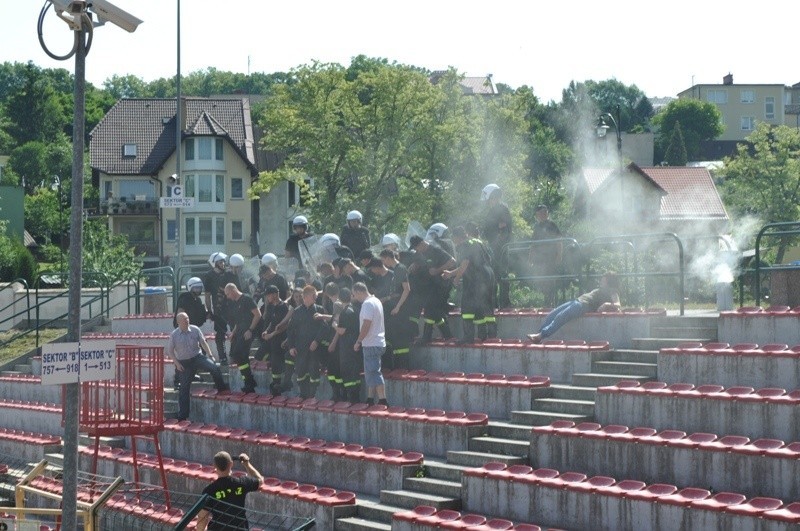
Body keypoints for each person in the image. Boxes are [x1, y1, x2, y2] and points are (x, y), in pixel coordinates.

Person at [526, 273, 621, 343]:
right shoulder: (601, 289)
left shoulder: (612, 292)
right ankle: (537, 336)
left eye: (603, 280)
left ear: (609, 281)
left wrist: (606, 304)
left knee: (560, 317)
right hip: (576, 301)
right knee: (552, 314)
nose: (601, 281)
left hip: (582, 305)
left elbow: (618, 305)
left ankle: (541, 335)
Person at [167, 313, 228, 421]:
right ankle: (183, 415)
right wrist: (177, 364)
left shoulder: (195, 329)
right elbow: (170, 352)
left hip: (197, 357)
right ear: (178, 322)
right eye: (184, 319)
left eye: (187, 318)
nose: (187, 320)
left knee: (214, 367)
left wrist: (211, 355)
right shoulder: (174, 335)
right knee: (184, 388)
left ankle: (222, 389)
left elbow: (203, 343)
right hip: (184, 362)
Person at [444, 226, 496, 344]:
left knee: (467, 305)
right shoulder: (478, 242)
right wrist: (451, 273)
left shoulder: (464, 245)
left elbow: (465, 263)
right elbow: (469, 264)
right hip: (488, 274)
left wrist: (456, 279)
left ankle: (468, 337)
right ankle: (489, 336)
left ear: (457, 237)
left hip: (475, 278)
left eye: (454, 238)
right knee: (484, 305)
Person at [196, 451, 263, 531]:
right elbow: (260, 480)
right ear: (231, 464)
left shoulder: (209, 490)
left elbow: (202, 516)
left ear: (214, 466)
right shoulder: (241, 483)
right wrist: (247, 464)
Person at [409, 235, 456, 343]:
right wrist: (415, 264)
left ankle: (427, 337)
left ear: (422, 244)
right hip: (431, 285)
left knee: (430, 309)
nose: (416, 250)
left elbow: (452, 261)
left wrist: (438, 270)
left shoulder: (435, 250)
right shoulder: (420, 253)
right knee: (434, 310)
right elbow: (419, 261)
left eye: (416, 247)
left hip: (442, 285)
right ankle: (447, 334)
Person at [286, 285, 328, 399]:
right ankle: (303, 394)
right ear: (305, 297)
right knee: (301, 371)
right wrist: (291, 347)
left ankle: (312, 395)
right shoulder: (297, 311)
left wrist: (317, 341)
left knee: (314, 371)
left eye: (316, 295)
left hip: (314, 347)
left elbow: (324, 327)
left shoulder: (319, 309)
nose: (316, 297)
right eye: (313, 295)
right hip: (300, 348)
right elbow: (290, 330)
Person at [352, 282, 388, 406]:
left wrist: (358, 341)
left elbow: (366, 325)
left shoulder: (367, 304)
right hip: (377, 342)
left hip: (371, 343)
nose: (354, 298)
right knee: (370, 372)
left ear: (358, 292)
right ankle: (370, 398)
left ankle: (383, 400)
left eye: (354, 295)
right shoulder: (376, 300)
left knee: (373, 371)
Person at [172, 277, 208, 391]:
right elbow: (181, 313)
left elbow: (200, 316)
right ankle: (177, 380)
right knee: (182, 357)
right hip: (183, 331)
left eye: (199, 288)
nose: (198, 290)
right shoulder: (185, 298)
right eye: (195, 287)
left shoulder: (198, 300)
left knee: (196, 355)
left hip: (192, 331)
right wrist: (182, 327)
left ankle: (192, 375)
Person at [224, 283, 261, 394]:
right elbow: (237, 321)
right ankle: (249, 382)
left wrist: (250, 330)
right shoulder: (235, 303)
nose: (227, 297)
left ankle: (250, 381)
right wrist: (233, 333)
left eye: (228, 294)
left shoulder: (247, 299)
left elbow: (258, 314)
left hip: (248, 331)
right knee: (238, 357)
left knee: (239, 354)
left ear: (233, 290)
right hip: (239, 331)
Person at [480, 184, 513, 308]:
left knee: (502, 274)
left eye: (489, 199)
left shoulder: (502, 209)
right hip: (493, 247)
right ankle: (493, 302)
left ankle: (504, 302)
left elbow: (504, 228)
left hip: (499, 248)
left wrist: (497, 243)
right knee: (493, 275)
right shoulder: (493, 211)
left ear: (493, 196)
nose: (488, 202)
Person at [203, 252, 239, 365]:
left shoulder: (228, 274)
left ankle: (234, 355)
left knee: (236, 330)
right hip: (219, 308)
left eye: (223, 261)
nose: (223, 263)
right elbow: (207, 295)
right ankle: (222, 357)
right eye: (220, 262)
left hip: (232, 307)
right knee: (220, 334)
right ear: (214, 263)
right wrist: (209, 310)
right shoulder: (209, 276)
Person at [380, 249, 413, 368]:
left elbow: (406, 289)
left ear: (388, 258)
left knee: (401, 337)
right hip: (395, 308)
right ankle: (398, 365)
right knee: (395, 336)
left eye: (383, 260)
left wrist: (398, 307)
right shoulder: (395, 270)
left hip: (401, 310)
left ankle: (404, 366)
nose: (383, 263)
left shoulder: (400, 268)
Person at [256, 285, 290, 396]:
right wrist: (266, 331)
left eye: (268, 295)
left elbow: (283, 326)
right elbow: (272, 322)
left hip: (280, 340)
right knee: (258, 355)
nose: (267, 298)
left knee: (276, 364)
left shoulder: (283, 307)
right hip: (271, 338)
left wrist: (271, 335)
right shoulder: (271, 306)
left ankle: (276, 385)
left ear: (275, 294)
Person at [331, 288, 362, 403]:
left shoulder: (345, 312)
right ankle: (356, 396)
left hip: (347, 347)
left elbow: (342, 331)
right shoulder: (356, 309)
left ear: (339, 298)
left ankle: (351, 396)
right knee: (355, 372)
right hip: (356, 345)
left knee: (347, 372)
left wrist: (334, 325)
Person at [529, 204, 563, 307]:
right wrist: (530, 258)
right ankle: (546, 301)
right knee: (542, 280)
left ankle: (550, 303)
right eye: (540, 213)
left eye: (544, 212)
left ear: (547, 213)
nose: (543, 215)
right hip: (539, 260)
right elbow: (533, 244)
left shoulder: (552, 225)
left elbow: (559, 241)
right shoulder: (537, 227)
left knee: (550, 280)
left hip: (550, 258)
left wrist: (559, 255)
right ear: (537, 215)